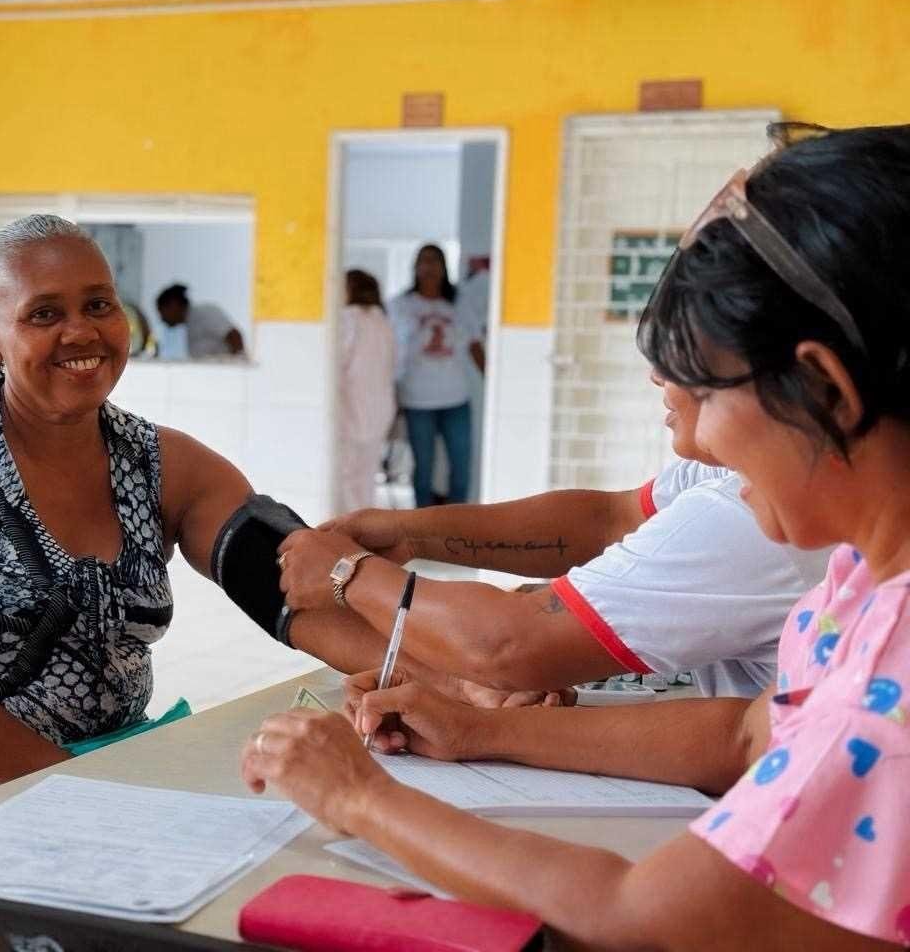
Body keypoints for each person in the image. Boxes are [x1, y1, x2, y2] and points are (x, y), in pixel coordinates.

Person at [245, 124, 910, 949]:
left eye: (709, 394)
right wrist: (486, 731)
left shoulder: (890, 677)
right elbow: (748, 731)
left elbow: (641, 917)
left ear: (826, 390)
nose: (697, 443)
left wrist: (358, 797)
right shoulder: (861, 580)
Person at [0, 215, 394, 838]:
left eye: (99, 305)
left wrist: (426, 678)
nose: (81, 331)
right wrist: (95, 804)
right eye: (44, 314)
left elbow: (291, 589)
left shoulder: (163, 464)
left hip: (106, 780)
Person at [278, 354, 830, 697]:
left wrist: (350, 575)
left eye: (684, 345)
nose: (657, 372)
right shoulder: (730, 475)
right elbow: (608, 520)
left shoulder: (746, 513)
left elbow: (509, 646)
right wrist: (411, 534)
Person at [388, 244, 485, 507]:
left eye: (435, 260)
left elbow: (475, 345)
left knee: (461, 467)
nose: (429, 266)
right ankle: (423, 524)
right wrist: (389, 392)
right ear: (415, 267)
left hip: (456, 398)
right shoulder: (400, 306)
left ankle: (458, 523)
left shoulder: (459, 303)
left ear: (444, 267)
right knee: (423, 469)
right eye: (424, 260)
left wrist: (495, 383)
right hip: (416, 399)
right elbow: (387, 350)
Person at [336, 269, 396, 513]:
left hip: (352, 405)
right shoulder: (383, 321)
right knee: (367, 475)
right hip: (380, 407)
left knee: (346, 474)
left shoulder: (348, 319)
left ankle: (349, 525)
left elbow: (337, 361)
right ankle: (364, 524)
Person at [155, 283, 245, 358]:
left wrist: (239, 369)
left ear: (173, 304)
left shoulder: (204, 313)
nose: (162, 319)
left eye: (161, 312)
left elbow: (234, 336)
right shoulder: (190, 325)